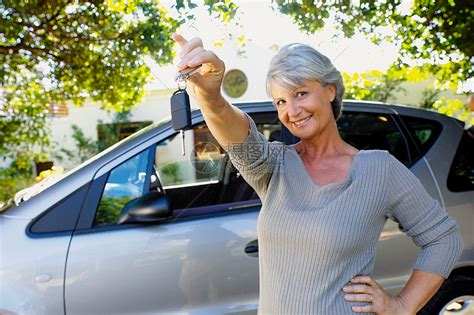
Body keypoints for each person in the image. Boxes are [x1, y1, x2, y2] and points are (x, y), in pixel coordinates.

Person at [171, 34, 464, 315]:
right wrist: (211, 97)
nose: (293, 111)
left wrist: (402, 306)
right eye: (281, 102)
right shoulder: (274, 166)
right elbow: (234, 133)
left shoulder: (379, 170)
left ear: (330, 90)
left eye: (300, 93)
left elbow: (444, 238)